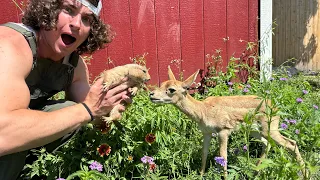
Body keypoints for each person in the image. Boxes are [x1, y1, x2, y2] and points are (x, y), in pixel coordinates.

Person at [0, 0, 133, 179]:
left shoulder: (73, 66)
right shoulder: (9, 46)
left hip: (15, 142)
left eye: (86, 19)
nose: (77, 24)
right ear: (47, 10)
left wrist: (111, 104)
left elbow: (92, 114)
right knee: (15, 143)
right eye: (68, 10)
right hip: (5, 139)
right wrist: (86, 110)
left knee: (66, 112)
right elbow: (4, 134)